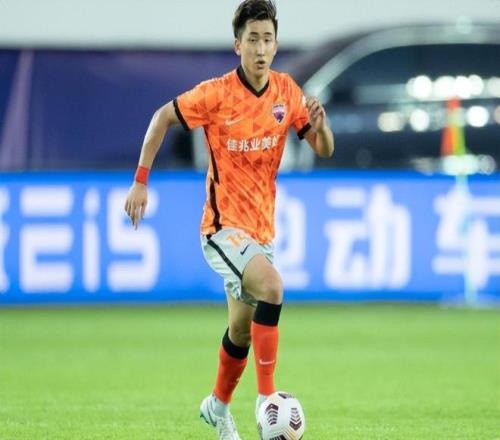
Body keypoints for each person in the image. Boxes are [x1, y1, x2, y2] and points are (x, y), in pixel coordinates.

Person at [124, 1, 334, 438]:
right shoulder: (216, 94)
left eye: (267, 39)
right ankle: (267, 399)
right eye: (252, 39)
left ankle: (217, 407)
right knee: (273, 287)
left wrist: (322, 126)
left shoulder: (286, 92)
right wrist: (141, 181)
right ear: (238, 45)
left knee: (241, 333)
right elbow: (162, 117)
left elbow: (322, 148)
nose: (260, 48)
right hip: (222, 229)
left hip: (261, 232)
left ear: (276, 45)